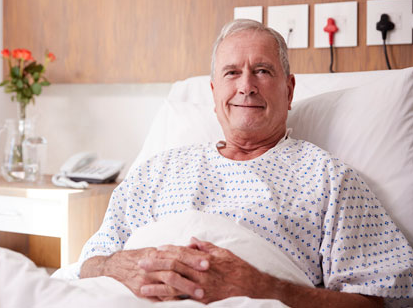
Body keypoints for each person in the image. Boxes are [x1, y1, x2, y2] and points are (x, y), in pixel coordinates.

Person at [77, 20, 412, 307]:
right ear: (213, 92)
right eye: (232, 73)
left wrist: (266, 289)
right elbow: (89, 264)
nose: (246, 87)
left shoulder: (328, 178)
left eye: (262, 71)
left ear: (289, 90)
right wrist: (120, 266)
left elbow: (378, 299)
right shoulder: (158, 169)